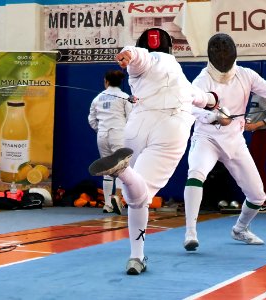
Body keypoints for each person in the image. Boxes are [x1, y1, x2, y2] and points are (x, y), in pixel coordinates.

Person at [88, 28, 218, 275]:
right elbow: (198, 97)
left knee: (135, 199)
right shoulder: (173, 68)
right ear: (170, 48)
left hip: (136, 127)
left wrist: (130, 54)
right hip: (169, 129)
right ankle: (123, 172)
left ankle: (136, 256)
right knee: (141, 196)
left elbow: (141, 59)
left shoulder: (140, 70)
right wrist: (213, 104)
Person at [183, 33, 266, 251]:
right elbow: (192, 108)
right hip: (207, 138)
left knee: (257, 195)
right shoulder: (201, 80)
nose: (224, 58)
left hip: (235, 140)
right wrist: (215, 116)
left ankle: (240, 229)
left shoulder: (246, 75)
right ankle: (190, 232)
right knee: (196, 174)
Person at [88, 70, 132, 214]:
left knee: (106, 168)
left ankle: (107, 204)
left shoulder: (97, 98)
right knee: (121, 167)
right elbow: (131, 118)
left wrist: (100, 130)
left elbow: (91, 120)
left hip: (102, 135)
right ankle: (117, 198)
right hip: (118, 134)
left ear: (106, 81)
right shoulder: (125, 97)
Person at [245, 95, 266, 213]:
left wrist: (255, 125)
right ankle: (265, 198)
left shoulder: (261, 97)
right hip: (257, 134)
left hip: (262, 133)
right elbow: (253, 115)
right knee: (255, 166)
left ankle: (263, 202)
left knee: (258, 167)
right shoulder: (253, 97)